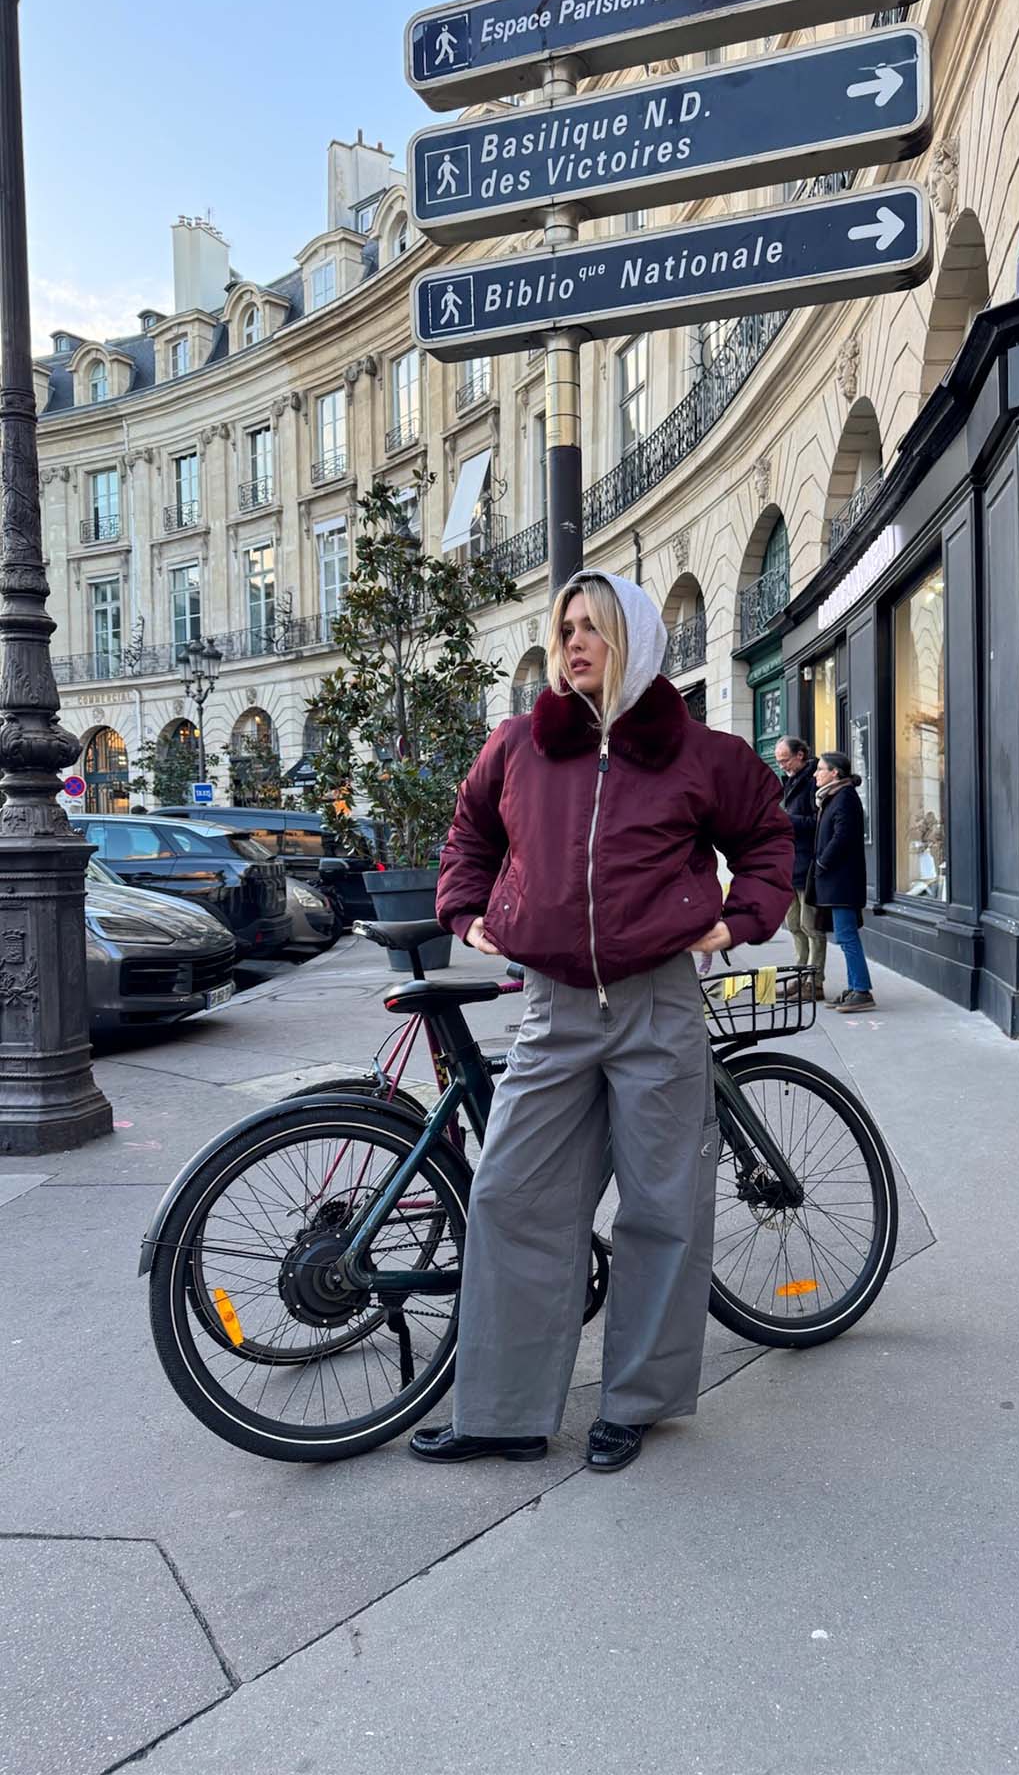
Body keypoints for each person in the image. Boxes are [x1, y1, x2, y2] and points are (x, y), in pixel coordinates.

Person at [416, 570, 793, 1474]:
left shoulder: (700, 754)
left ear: (635, 640)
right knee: (513, 1197)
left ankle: (637, 1402)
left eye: (593, 627)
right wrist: (465, 910)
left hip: (659, 1000)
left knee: (662, 1209)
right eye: (566, 627)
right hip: (553, 1008)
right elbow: (468, 834)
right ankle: (503, 1411)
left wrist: (737, 920)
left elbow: (770, 839)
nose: (573, 642)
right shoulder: (517, 746)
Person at [805, 749, 875, 1014]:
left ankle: (861, 990)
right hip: (835, 880)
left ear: (835, 772)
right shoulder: (833, 797)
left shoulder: (844, 797)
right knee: (845, 936)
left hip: (841, 881)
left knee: (847, 936)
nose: (816, 773)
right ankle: (854, 987)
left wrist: (823, 862)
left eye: (820, 768)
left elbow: (842, 837)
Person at [773, 736, 826, 999]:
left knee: (810, 925)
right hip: (790, 863)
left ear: (800, 755)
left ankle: (814, 982)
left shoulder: (814, 778)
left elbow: (819, 822)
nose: (781, 765)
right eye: (778, 761)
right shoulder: (791, 780)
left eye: (785, 760)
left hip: (807, 863)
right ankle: (800, 975)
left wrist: (787, 820)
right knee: (793, 923)